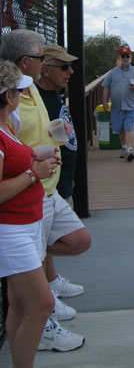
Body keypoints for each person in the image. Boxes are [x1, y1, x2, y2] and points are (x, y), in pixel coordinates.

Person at [0, 29, 89, 352]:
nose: (68, 72)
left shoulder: (30, 89)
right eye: (43, 60)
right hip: (21, 205)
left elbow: (24, 143)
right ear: (27, 62)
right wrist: (33, 172)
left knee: (76, 241)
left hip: (43, 191)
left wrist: (53, 137)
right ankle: (41, 326)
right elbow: (12, 150)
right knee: (28, 297)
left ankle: (46, 290)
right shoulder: (14, 101)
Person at [0, 60, 59, 368]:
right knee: (42, 304)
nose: (23, 94)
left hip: (24, 225)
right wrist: (34, 173)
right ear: (9, 97)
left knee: (20, 307)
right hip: (11, 231)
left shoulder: (6, 125)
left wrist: (38, 156)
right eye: (18, 90)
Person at [35, 45, 78, 203]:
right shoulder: (35, 100)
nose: (70, 71)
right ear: (45, 70)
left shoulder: (54, 94)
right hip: (46, 191)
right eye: (64, 67)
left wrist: (68, 176)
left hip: (62, 184)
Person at [102, 45, 134, 161]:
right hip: (117, 106)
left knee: (129, 127)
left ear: (130, 57)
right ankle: (124, 147)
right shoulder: (113, 72)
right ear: (119, 57)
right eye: (123, 56)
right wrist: (105, 102)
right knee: (120, 128)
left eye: (127, 56)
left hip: (131, 106)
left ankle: (130, 150)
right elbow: (106, 87)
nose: (125, 58)